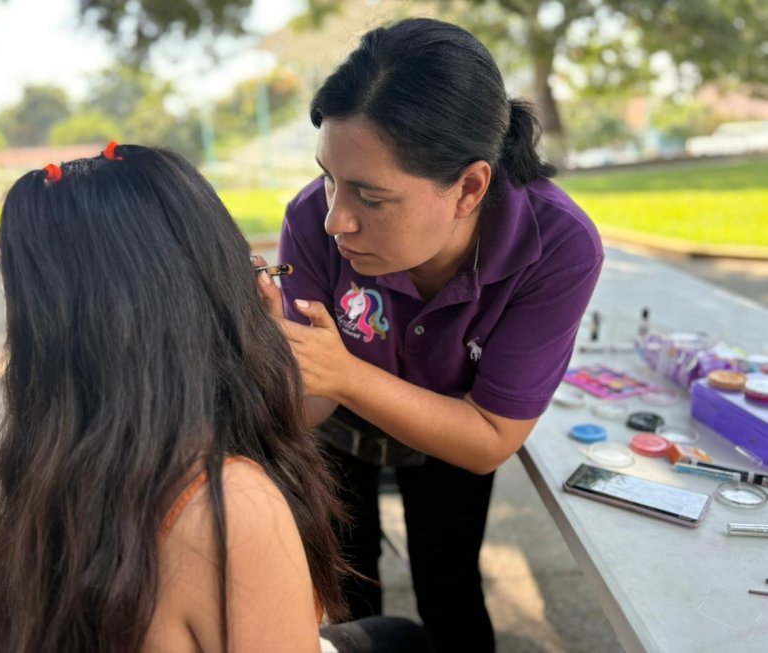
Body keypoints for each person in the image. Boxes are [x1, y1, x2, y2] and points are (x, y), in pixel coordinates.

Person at [0, 143, 431, 653]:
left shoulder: (49, 457)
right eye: (242, 263)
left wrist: (264, 373)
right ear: (207, 292)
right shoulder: (228, 508)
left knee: (396, 635)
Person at [255, 18, 604, 652]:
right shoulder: (313, 218)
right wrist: (277, 361)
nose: (337, 220)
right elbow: (305, 408)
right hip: (339, 434)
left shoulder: (555, 245)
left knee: (450, 589)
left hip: (453, 434)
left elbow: (489, 439)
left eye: (369, 195)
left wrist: (344, 372)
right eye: (329, 177)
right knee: (346, 591)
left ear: (470, 187)